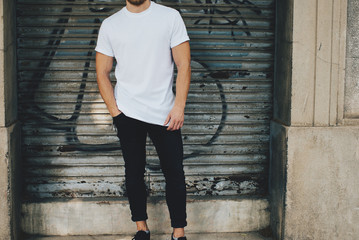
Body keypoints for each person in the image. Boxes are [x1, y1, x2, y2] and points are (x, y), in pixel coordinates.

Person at [95, 0, 191, 239]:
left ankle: (178, 233)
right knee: (134, 173)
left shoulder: (170, 17)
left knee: (175, 174)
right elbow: (101, 72)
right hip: (128, 113)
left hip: (165, 113)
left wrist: (179, 106)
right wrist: (115, 113)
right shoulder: (111, 24)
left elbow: (184, 64)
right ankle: (141, 229)